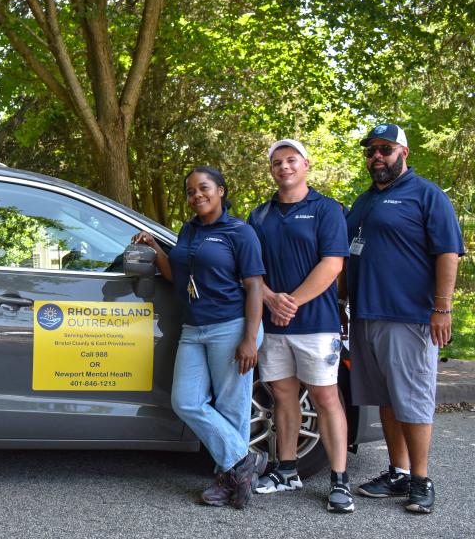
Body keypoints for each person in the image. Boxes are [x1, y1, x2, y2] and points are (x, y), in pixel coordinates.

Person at [340, 123, 464, 514]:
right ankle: (397, 471)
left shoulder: (427, 195)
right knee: (386, 400)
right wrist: (342, 303)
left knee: (412, 400)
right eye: (370, 150)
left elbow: (447, 253)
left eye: (385, 149)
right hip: (365, 315)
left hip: (408, 316)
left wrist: (442, 308)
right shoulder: (363, 201)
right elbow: (348, 256)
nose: (376, 156)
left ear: (403, 153)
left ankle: (421, 480)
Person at [133, 166, 267, 509]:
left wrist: (250, 338)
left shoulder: (240, 232)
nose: (197, 196)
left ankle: (228, 483)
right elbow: (177, 276)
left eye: (204, 188)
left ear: (221, 190)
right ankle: (242, 461)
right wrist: (154, 246)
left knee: (230, 406)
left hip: (231, 325)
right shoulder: (189, 230)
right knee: (186, 400)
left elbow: (254, 287)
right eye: (191, 191)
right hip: (194, 328)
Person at [247, 139, 353, 513]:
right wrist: (271, 298)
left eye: (292, 160)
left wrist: (291, 301)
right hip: (273, 325)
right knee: (283, 397)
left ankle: (340, 481)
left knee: (326, 399)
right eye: (277, 162)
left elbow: (332, 265)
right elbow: (249, 268)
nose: (284, 167)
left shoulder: (327, 210)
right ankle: (286, 469)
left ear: (306, 164)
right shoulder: (258, 216)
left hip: (316, 324)